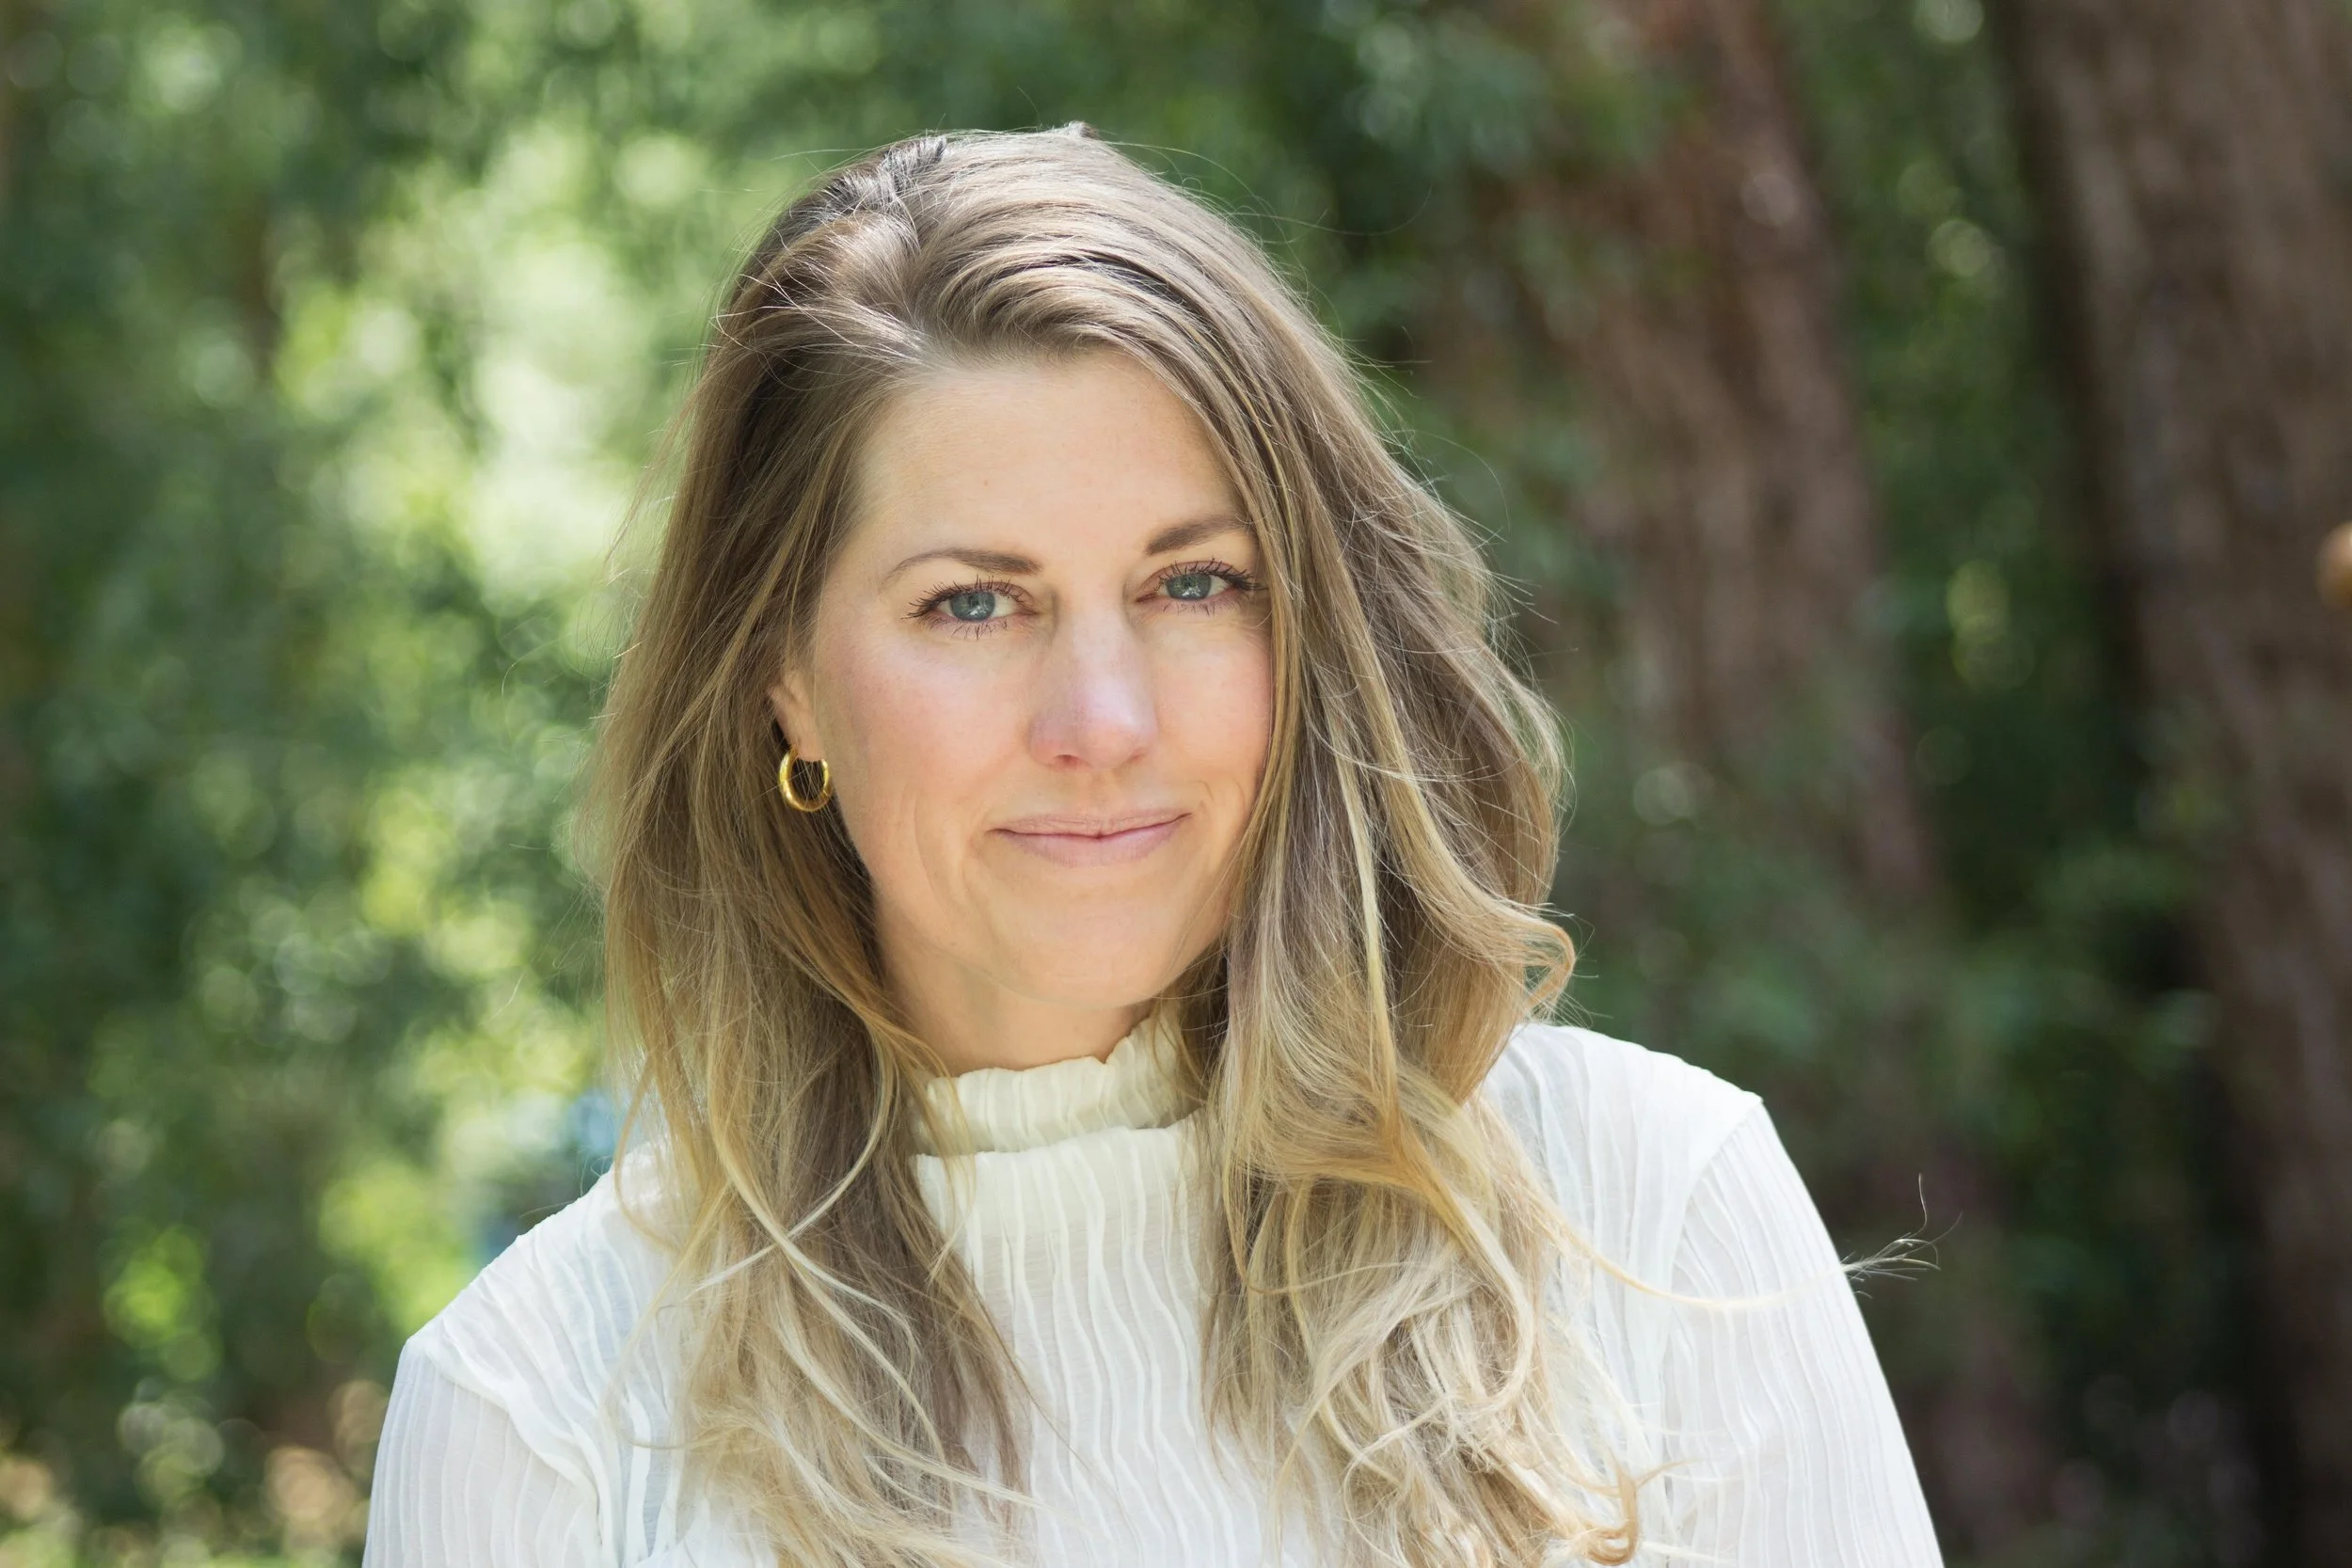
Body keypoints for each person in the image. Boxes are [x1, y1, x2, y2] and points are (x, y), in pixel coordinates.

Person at [362, 125, 1942, 1567]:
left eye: (1194, 584)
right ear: (787, 683)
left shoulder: (1656, 1215)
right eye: (972, 604)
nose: (1102, 718)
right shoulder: (537, 1414)